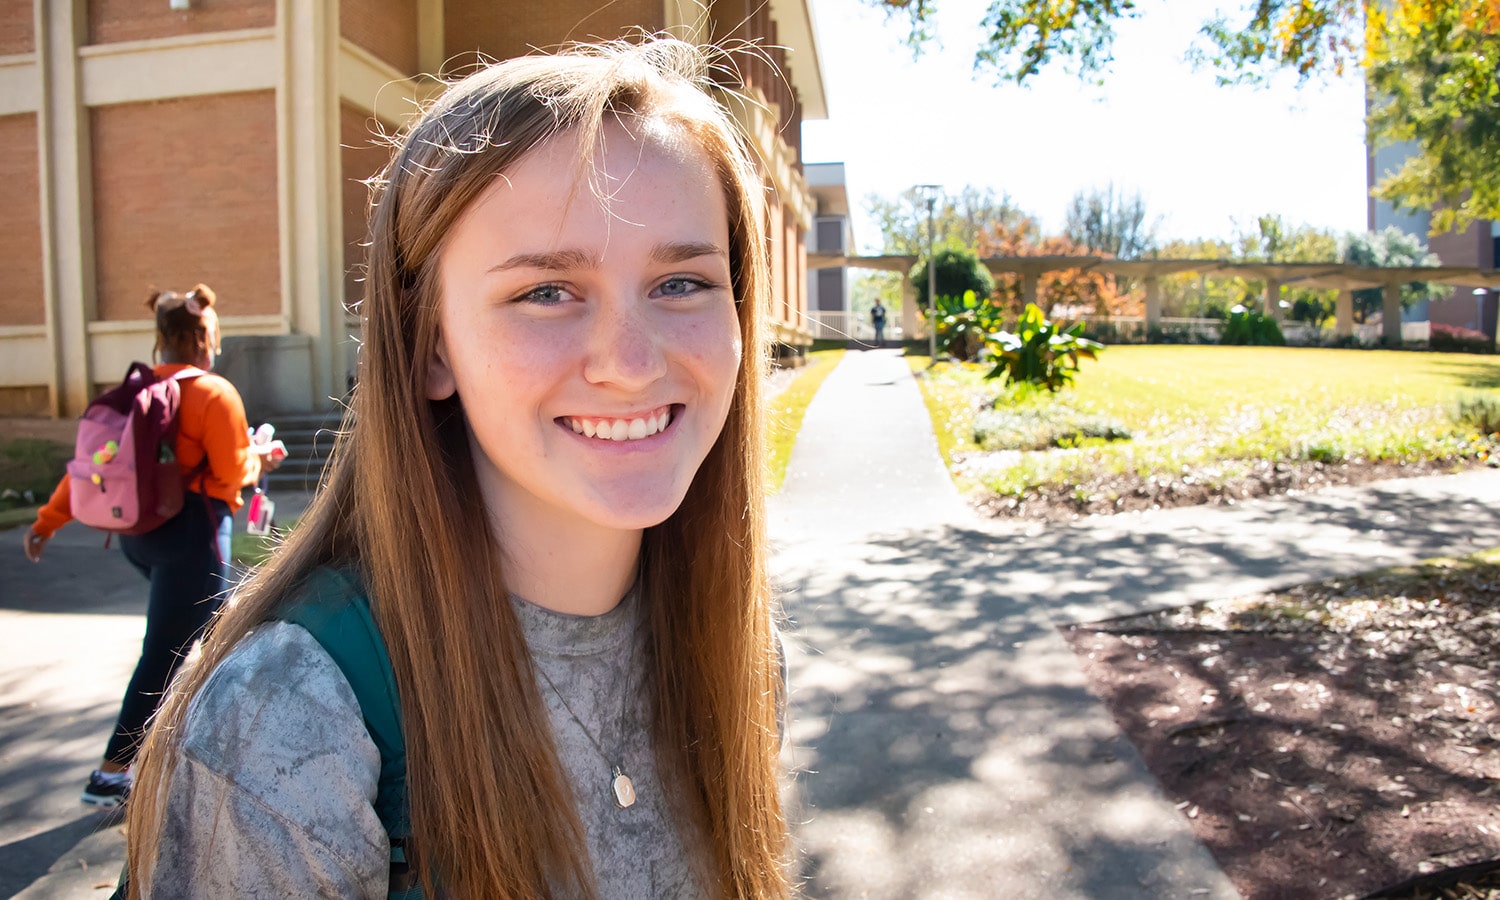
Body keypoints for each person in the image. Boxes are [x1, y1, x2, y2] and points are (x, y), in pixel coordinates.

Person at [121, 38, 789, 899]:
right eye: (546, 292)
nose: (629, 361)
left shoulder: (742, 656)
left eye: (683, 283)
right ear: (432, 344)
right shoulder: (289, 720)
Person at [22, 284, 279, 809]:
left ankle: (228, 744)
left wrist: (48, 522)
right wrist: (260, 458)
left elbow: (93, 468)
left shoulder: (136, 393)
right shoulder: (214, 393)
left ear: (159, 340)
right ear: (207, 338)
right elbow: (233, 473)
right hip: (194, 538)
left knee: (220, 632)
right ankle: (111, 772)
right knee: (164, 656)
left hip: (139, 539)